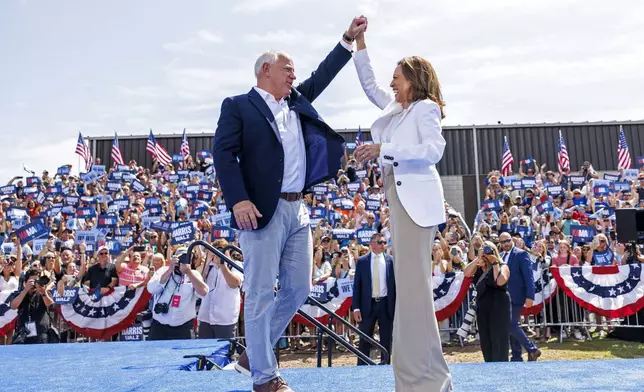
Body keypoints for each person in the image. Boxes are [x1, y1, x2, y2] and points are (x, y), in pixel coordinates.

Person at [213, 16, 367, 392]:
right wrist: (238, 201)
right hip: (261, 210)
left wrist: (348, 39)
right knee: (262, 292)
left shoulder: (296, 101)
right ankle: (265, 379)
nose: (293, 76)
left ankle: (255, 352)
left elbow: (322, 75)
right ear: (265, 70)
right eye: (287, 69)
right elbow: (222, 153)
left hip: (299, 210)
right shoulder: (239, 106)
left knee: (298, 289)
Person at [351, 18, 452, 392]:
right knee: (409, 290)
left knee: (413, 291)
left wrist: (385, 149)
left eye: (398, 77)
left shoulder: (425, 108)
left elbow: (433, 151)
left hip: (416, 203)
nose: (392, 83)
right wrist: (360, 43)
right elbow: (368, 85)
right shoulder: (398, 108)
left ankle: (427, 378)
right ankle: (416, 376)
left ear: (414, 79)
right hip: (399, 198)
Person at [146, 247, 208, 340]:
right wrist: (170, 270)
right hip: (160, 327)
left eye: (186, 258)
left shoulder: (194, 274)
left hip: (184, 328)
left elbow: (203, 293)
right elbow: (151, 289)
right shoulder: (163, 271)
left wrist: (189, 273)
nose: (182, 261)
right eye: (180, 258)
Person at [352, 233, 395, 365]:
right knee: (365, 337)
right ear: (372, 244)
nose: (383, 245)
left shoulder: (390, 260)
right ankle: (362, 366)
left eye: (384, 242)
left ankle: (385, 364)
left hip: (385, 304)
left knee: (386, 338)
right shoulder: (362, 261)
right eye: (380, 242)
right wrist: (356, 307)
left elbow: (395, 285)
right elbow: (357, 286)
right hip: (367, 305)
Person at [464, 241, 511, 362]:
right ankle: (489, 363)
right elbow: (467, 273)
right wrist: (477, 259)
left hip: (499, 304)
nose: (486, 253)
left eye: (488, 250)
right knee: (486, 337)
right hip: (483, 304)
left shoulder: (503, 266)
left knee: (498, 337)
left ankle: (501, 364)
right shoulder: (478, 267)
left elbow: (499, 281)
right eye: (483, 251)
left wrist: (494, 263)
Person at [498, 232, 541, 361]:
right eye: (503, 242)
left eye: (508, 240)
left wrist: (530, 296)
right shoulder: (500, 256)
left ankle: (532, 349)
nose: (505, 244)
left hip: (517, 295)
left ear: (512, 240)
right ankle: (516, 355)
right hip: (503, 296)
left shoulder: (521, 254)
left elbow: (529, 277)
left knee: (510, 324)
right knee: (511, 324)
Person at [197, 239, 243, 340]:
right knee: (204, 351)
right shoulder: (209, 266)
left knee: (224, 351)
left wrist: (223, 265)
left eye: (222, 251)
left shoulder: (235, 265)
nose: (219, 254)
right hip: (206, 317)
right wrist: (208, 259)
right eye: (216, 251)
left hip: (225, 319)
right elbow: (198, 280)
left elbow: (234, 283)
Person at [9, 269, 55, 344]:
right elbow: (13, 306)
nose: (34, 283)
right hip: (23, 334)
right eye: (32, 281)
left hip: (41, 334)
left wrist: (43, 292)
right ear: (25, 282)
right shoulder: (20, 294)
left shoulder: (43, 293)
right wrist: (25, 290)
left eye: (37, 280)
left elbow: (51, 305)